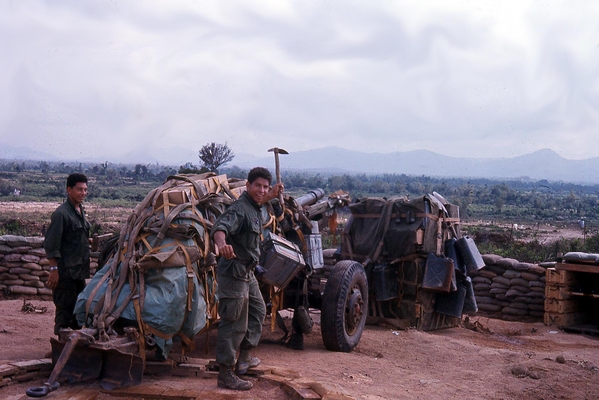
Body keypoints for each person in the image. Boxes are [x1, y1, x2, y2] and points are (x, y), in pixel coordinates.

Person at [210, 167, 283, 391]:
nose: (261, 190)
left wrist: (271, 195)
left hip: (247, 272)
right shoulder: (240, 209)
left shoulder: (255, 206)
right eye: (257, 186)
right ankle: (225, 373)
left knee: (258, 310)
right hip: (234, 271)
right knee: (234, 323)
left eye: (265, 187)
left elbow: (262, 200)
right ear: (248, 186)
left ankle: (244, 358)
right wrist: (222, 245)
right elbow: (219, 228)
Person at [44, 173, 91, 336]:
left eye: (85, 190)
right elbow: (51, 245)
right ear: (68, 190)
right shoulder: (61, 214)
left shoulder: (79, 210)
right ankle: (59, 350)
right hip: (65, 273)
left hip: (78, 272)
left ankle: (73, 348)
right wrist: (53, 270)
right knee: (64, 310)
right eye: (79, 189)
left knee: (78, 310)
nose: (83, 193)